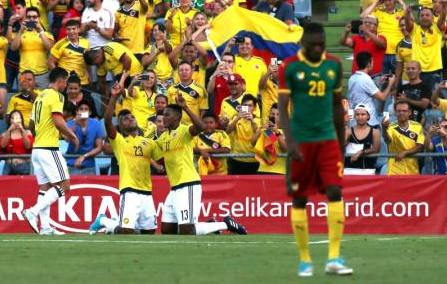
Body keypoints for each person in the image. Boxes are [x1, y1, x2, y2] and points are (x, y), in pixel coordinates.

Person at [278, 22, 353, 277]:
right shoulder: (289, 67)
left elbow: (336, 106)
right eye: (314, 45)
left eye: (322, 44)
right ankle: (305, 259)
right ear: (303, 44)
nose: (319, 48)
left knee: (335, 191)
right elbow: (283, 110)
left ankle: (334, 257)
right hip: (302, 141)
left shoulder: (333, 65)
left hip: (328, 140)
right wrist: (291, 143)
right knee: (300, 198)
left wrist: (341, 143)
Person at [156, 93, 247, 235]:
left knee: (187, 230)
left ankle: (224, 224)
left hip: (188, 185)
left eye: (167, 115)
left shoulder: (184, 130)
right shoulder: (163, 137)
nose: (163, 118)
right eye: (163, 115)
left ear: (177, 117)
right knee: (167, 230)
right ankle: (212, 225)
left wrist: (185, 107)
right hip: (174, 188)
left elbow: (200, 127)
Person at [89, 83, 162, 234]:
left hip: (147, 192)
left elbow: (161, 161)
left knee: (149, 233)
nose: (130, 119)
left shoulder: (148, 143)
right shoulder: (120, 141)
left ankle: (107, 223)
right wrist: (114, 96)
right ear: (120, 127)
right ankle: (104, 221)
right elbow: (108, 121)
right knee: (125, 231)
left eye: (132, 117)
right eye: (125, 119)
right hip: (130, 191)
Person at [22, 67, 79, 235]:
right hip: (49, 148)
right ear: (60, 80)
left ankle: (45, 227)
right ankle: (32, 212)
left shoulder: (40, 97)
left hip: (37, 148)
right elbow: (57, 120)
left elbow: (31, 125)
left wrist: (39, 136)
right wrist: (71, 135)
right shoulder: (57, 96)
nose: (66, 85)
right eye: (66, 82)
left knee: (45, 187)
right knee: (65, 185)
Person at [405, 2, 447, 90]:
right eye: (422, 15)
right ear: (419, 18)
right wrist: (408, 12)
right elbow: (408, 24)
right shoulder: (414, 29)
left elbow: (442, 17)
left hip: (434, 71)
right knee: (418, 99)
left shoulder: (438, 29)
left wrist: (445, 6)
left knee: (434, 100)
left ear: (433, 18)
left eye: (427, 15)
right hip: (417, 71)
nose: (424, 17)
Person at [10, 7, 55, 89]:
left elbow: (50, 48)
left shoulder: (47, 34)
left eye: (34, 17)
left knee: (43, 100)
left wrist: (40, 31)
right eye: (29, 17)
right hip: (23, 74)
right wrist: (20, 31)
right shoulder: (20, 33)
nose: (31, 19)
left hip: (42, 75)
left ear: (39, 18)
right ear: (25, 18)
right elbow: (13, 48)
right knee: (22, 100)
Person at [347, 51, 396, 126]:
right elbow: (382, 97)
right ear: (368, 64)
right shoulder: (365, 79)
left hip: (356, 120)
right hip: (368, 122)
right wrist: (390, 83)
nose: (373, 64)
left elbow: (363, 90)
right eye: (372, 62)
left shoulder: (352, 78)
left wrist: (379, 82)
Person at [361, 0, 406, 74]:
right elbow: (363, 16)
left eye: (390, 0)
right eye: (386, 0)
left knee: (398, 81)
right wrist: (376, 3)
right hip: (381, 53)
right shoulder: (378, 13)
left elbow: (411, 18)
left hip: (398, 53)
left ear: (395, 1)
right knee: (381, 81)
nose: (388, 2)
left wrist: (401, 2)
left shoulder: (400, 13)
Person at [382, 101, 424, 175]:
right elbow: (387, 140)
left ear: (410, 112)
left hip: (412, 170)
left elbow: (420, 146)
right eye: (399, 111)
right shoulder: (391, 127)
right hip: (394, 171)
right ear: (395, 112)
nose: (401, 113)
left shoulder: (418, 126)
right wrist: (384, 128)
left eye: (404, 111)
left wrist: (405, 152)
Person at [48, 20, 90, 87]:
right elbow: (50, 62)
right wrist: (60, 78)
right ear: (65, 30)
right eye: (68, 29)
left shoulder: (86, 42)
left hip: (83, 81)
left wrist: (89, 76)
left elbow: (87, 62)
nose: (71, 32)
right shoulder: (60, 44)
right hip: (68, 83)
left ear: (79, 29)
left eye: (74, 29)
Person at [66, 100, 104, 175]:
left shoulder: (96, 124)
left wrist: (84, 156)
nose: (83, 111)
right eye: (81, 109)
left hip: (89, 165)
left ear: (89, 113)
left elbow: (99, 148)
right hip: (71, 164)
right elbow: (67, 140)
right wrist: (76, 123)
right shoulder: (69, 124)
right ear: (77, 112)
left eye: (86, 109)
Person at [226, 94, 261, 175]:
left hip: (253, 160)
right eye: (245, 105)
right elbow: (227, 131)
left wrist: (252, 121)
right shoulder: (235, 118)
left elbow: (260, 136)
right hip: (236, 159)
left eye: (250, 106)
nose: (247, 108)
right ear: (241, 107)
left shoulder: (259, 121)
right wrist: (238, 118)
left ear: (255, 108)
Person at [344, 104, 380, 175]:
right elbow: (341, 145)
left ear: (368, 116)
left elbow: (376, 149)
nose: (360, 117)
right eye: (357, 114)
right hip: (349, 169)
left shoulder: (375, 131)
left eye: (363, 114)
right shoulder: (348, 131)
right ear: (354, 116)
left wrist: (361, 152)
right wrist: (344, 124)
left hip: (367, 170)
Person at [252, 103, 287, 175]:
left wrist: (277, 132)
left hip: (279, 172)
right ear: (269, 115)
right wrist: (260, 128)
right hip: (262, 171)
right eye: (273, 114)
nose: (275, 116)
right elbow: (253, 143)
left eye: (278, 114)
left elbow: (285, 149)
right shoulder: (266, 130)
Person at [141, 23, 173, 93]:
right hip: (155, 80)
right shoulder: (149, 47)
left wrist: (164, 39)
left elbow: (169, 50)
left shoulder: (169, 44)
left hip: (168, 80)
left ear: (164, 32)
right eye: (155, 30)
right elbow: (144, 63)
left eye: (159, 30)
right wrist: (157, 52)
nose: (157, 32)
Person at [0, 110, 34, 175]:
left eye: (17, 118)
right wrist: (9, 130)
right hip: (8, 167)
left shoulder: (27, 132)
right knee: (6, 185)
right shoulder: (5, 134)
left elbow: (28, 146)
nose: (15, 120)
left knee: (25, 185)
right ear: (10, 120)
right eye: (12, 118)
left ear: (21, 120)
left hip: (24, 166)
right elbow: (2, 146)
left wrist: (22, 130)